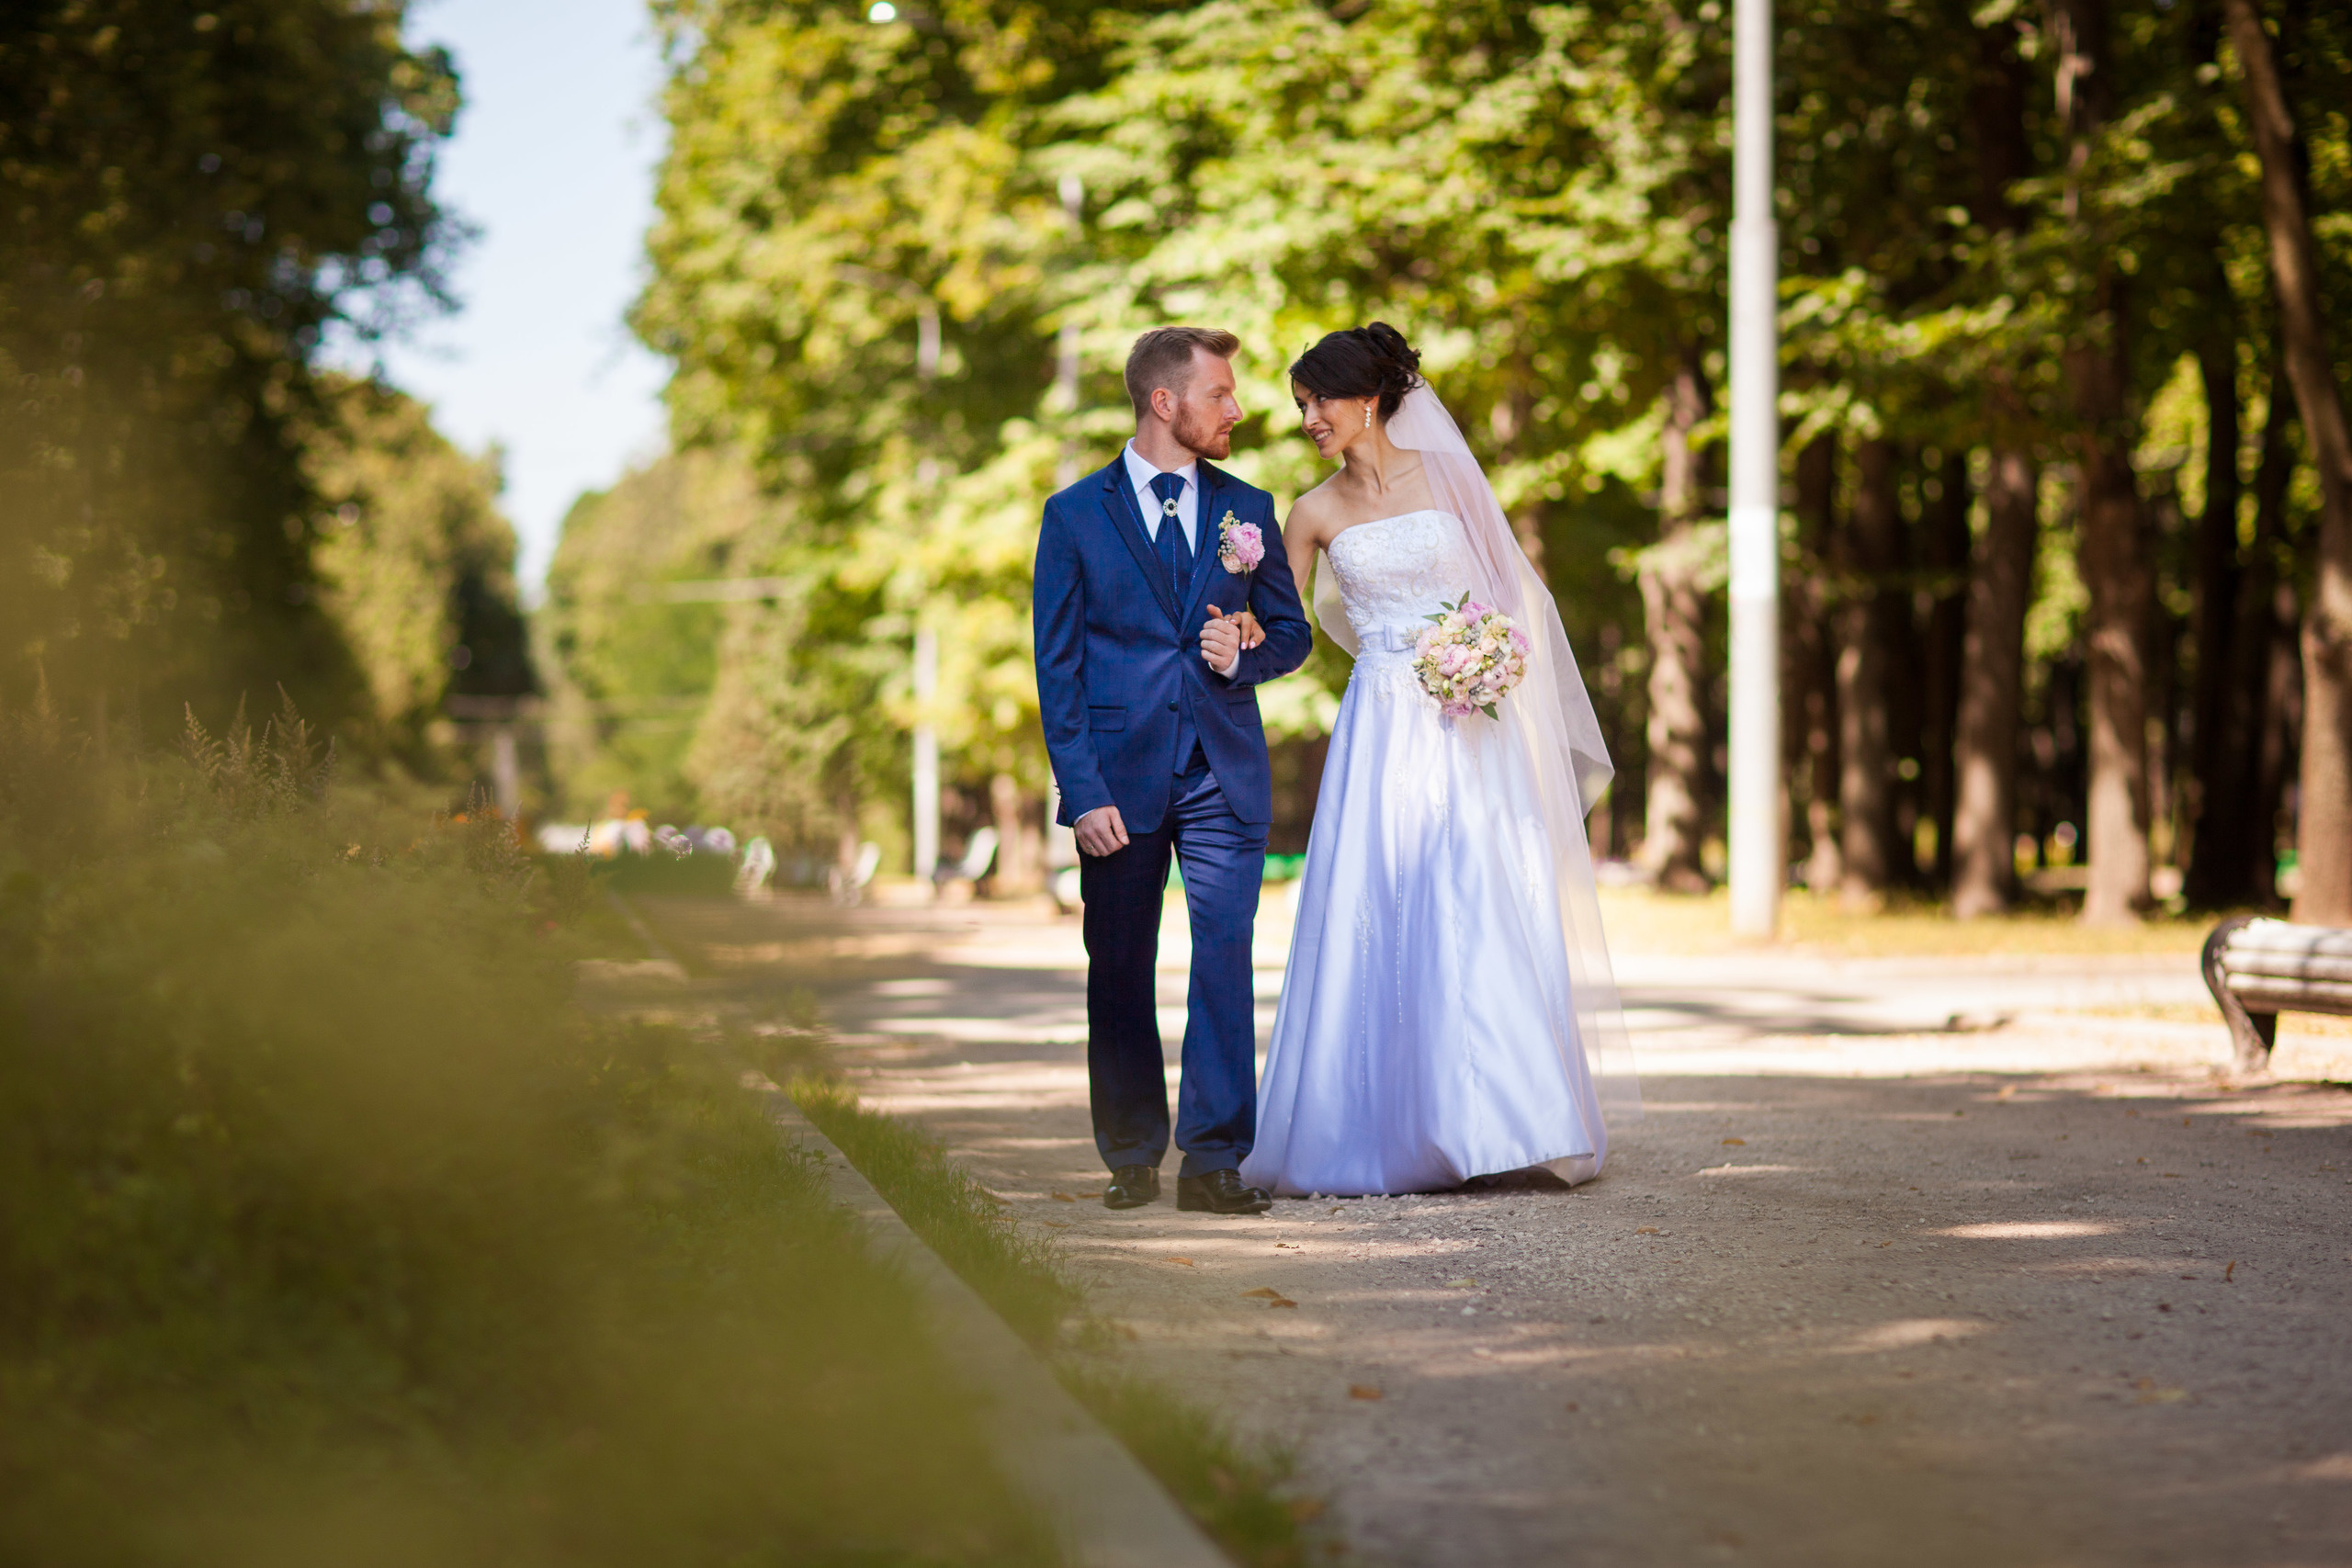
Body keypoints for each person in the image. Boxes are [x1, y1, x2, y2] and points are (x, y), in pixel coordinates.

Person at [1239, 324, 1638, 1198]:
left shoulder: (1452, 479)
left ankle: (1513, 1121)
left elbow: (1514, 599)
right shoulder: (1310, 513)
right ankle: (1386, 1128)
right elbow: (1284, 630)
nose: (1309, 419)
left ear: (1368, 399)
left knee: (1479, 895)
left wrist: (1487, 658)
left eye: (1320, 400)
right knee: (1382, 899)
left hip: (1469, 722)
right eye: (1301, 405)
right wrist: (1240, 616)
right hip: (1380, 727)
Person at [1032, 326, 1313, 1213]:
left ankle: (1215, 1160)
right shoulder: (1074, 515)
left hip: (1222, 773)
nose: (1238, 408)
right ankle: (1130, 1153)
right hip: (1118, 781)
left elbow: (1293, 633)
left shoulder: (1249, 507)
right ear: (1165, 401)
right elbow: (1058, 667)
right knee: (1119, 964)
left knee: (1224, 958)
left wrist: (1246, 655)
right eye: (1219, 393)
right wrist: (1082, 792)